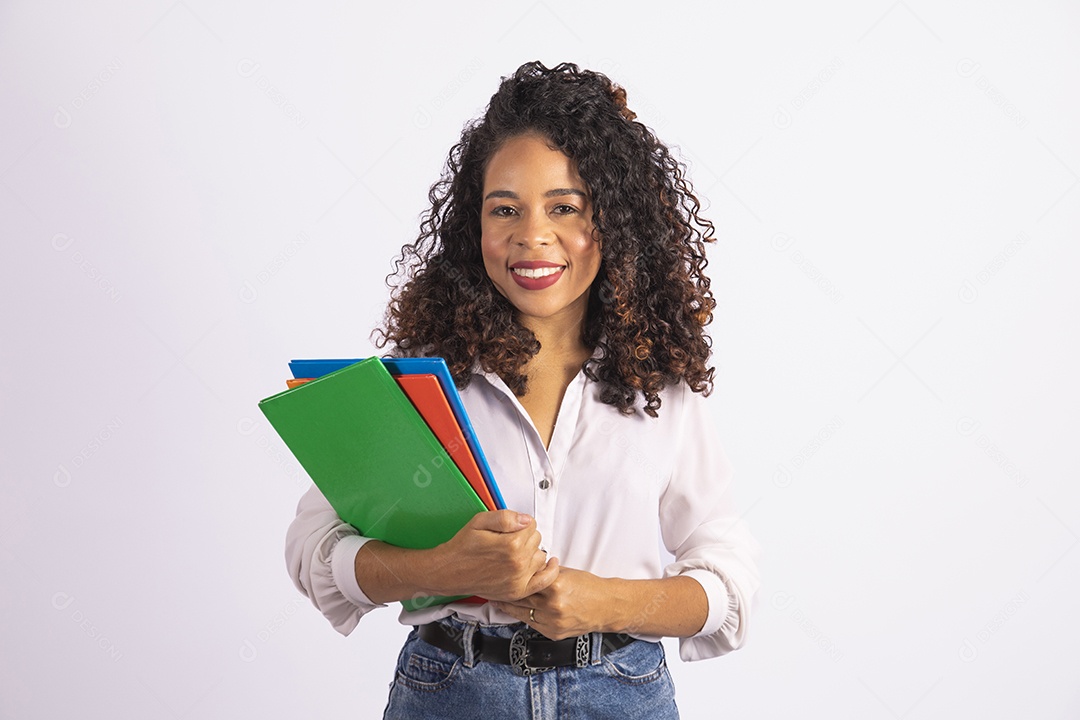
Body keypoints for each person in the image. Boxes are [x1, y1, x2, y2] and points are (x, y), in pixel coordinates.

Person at [285, 61, 761, 719]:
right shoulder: (422, 380)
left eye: (565, 207)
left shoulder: (661, 386)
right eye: (504, 208)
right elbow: (316, 551)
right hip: (450, 691)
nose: (532, 237)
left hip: (619, 694)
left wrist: (606, 600)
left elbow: (729, 583)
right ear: (472, 226)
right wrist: (445, 570)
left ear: (614, 221)